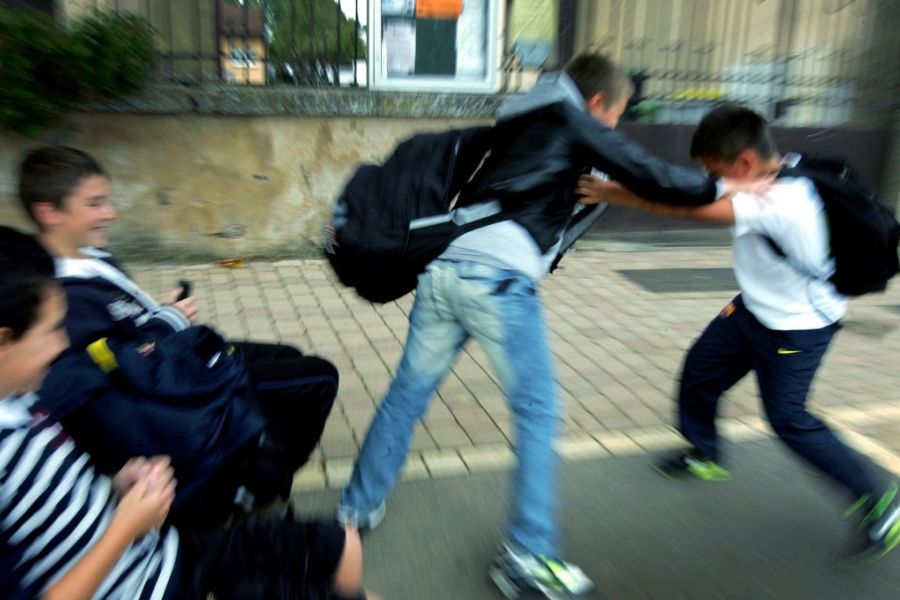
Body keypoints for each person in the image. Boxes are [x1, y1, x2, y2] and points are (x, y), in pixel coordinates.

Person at [337, 52, 754, 599]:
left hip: (446, 268)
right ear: (598, 102)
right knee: (539, 412)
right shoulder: (570, 118)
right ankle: (528, 557)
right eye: (616, 116)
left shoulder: (520, 117)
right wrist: (724, 190)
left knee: (408, 393)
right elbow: (655, 176)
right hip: (498, 281)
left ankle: (355, 508)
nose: (613, 128)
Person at [576, 104, 900, 561]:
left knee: (789, 420)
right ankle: (705, 453)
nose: (707, 175)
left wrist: (612, 192)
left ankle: (878, 500)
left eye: (713, 168)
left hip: (797, 325)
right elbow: (696, 186)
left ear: (744, 163)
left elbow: (682, 206)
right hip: (753, 309)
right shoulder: (784, 166)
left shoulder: (775, 201)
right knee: (701, 370)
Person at [0, 225, 377, 600]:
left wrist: (116, 487)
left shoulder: (20, 398)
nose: (62, 343)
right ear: (3, 339)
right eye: (50, 331)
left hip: (165, 553)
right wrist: (126, 526)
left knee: (341, 544)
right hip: (150, 584)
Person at [17, 145, 339, 526]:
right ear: (48, 212)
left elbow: (126, 329)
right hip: (169, 387)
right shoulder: (59, 296)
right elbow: (116, 366)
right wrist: (165, 321)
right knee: (319, 378)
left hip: (177, 355)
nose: (110, 213)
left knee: (288, 356)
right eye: (94, 204)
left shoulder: (91, 256)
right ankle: (254, 489)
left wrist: (160, 314)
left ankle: (256, 474)